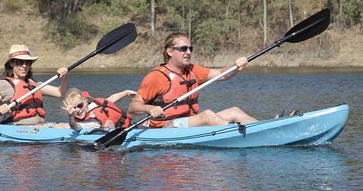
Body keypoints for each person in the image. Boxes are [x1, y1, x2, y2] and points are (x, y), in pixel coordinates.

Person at [127, 33, 257, 128]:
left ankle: (265, 128)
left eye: (190, 48)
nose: (188, 52)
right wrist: (149, 108)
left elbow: (222, 74)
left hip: (189, 122)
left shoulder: (192, 70)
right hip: (166, 126)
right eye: (183, 49)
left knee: (234, 111)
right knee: (207, 115)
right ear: (170, 52)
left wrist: (235, 64)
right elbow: (133, 107)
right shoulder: (157, 76)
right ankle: (238, 133)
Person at [0, 44, 69, 125]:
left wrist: (64, 78)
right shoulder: (4, 85)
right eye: (20, 62)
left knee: (63, 127)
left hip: (39, 127)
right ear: (12, 63)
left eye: (28, 62)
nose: (24, 66)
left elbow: (61, 93)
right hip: (17, 128)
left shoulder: (36, 85)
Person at [61, 88, 137, 132]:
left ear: (85, 102)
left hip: (126, 128)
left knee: (108, 123)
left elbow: (112, 98)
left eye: (80, 106)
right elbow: (74, 126)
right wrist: (71, 116)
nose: (77, 110)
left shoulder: (92, 120)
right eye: (73, 109)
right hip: (123, 126)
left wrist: (126, 92)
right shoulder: (87, 123)